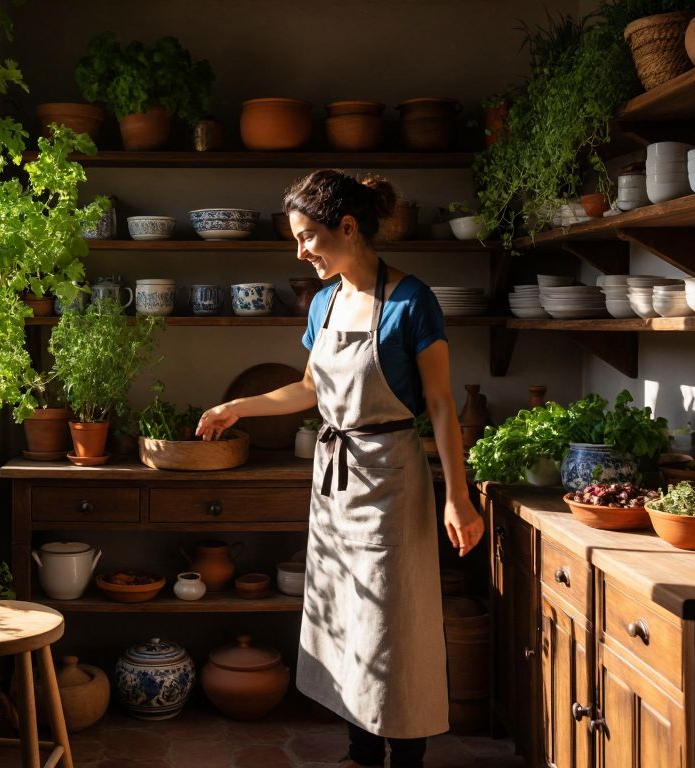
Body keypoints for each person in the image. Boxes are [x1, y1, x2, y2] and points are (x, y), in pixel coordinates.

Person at [197, 169, 485, 768]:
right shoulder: (324, 302)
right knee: (345, 614)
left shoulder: (412, 301)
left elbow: (439, 405)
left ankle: (404, 757)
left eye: (308, 237)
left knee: (391, 622)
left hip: (390, 478)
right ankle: (359, 752)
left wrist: (457, 496)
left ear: (348, 228)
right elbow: (308, 388)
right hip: (334, 481)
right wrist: (236, 408)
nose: (300, 251)